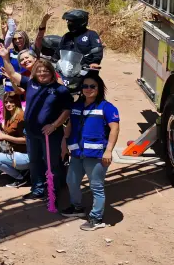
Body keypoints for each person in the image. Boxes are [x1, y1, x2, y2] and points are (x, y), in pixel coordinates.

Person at [0, 43, 72, 200]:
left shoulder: (60, 90)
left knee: (52, 163)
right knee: (35, 162)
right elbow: (12, 73)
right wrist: (5, 58)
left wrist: (54, 125)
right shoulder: (31, 84)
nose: (42, 73)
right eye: (39, 71)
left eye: (45, 71)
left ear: (51, 73)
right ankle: (37, 189)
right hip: (31, 132)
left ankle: (54, 189)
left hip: (49, 134)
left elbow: (67, 110)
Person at [60, 72, 120, 230]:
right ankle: (77, 207)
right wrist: (64, 144)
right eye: (85, 86)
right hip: (77, 153)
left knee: (96, 186)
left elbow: (114, 129)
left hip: (96, 156)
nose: (88, 89)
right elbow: (70, 127)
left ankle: (96, 218)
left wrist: (108, 151)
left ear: (99, 88)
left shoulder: (107, 107)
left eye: (92, 86)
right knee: (71, 181)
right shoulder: (76, 106)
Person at [0, 91, 30, 187]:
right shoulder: (9, 115)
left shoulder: (21, 116)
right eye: (6, 102)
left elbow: (27, 140)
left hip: (25, 155)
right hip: (13, 153)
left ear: (16, 102)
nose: (8, 104)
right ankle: (19, 171)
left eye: (11, 102)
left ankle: (21, 178)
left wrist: (5, 136)